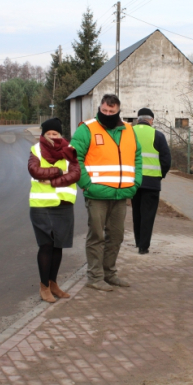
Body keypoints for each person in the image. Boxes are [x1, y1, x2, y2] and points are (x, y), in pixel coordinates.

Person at [71, 94, 142, 291]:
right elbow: (74, 158)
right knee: (96, 236)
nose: (108, 114)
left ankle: (109, 273)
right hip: (96, 195)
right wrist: (86, 185)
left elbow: (137, 156)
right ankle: (95, 277)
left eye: (112, 111)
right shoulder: (87, 129)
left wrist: (136, 183)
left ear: (118, 111)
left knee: (116, 236)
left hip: (121, 195)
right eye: (104, 110)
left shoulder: (129, 129)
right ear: (99, 108)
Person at [28, 118, 81, 303]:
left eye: (55, 133)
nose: (52, 136)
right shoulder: (36, 150)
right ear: (43, 135)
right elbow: (34, 170)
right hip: (41, 205)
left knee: (59, 245)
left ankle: (53, 284)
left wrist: (51, 180)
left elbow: (75, 174)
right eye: (48, 133)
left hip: (64, 204)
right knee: (46, 245)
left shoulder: (70, 151)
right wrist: (58, 172)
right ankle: (44, 286)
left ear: (61, 134)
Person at [131, 108, 171, 254]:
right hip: (152, 183)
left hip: (133, 181)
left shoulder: (129, 133)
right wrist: (161, 174)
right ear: (151, 120)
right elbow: (166, 160)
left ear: (138, 119)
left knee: (137, 212)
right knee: (148, 215)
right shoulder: (158, 135)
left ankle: (137, 241)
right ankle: (143, 247)